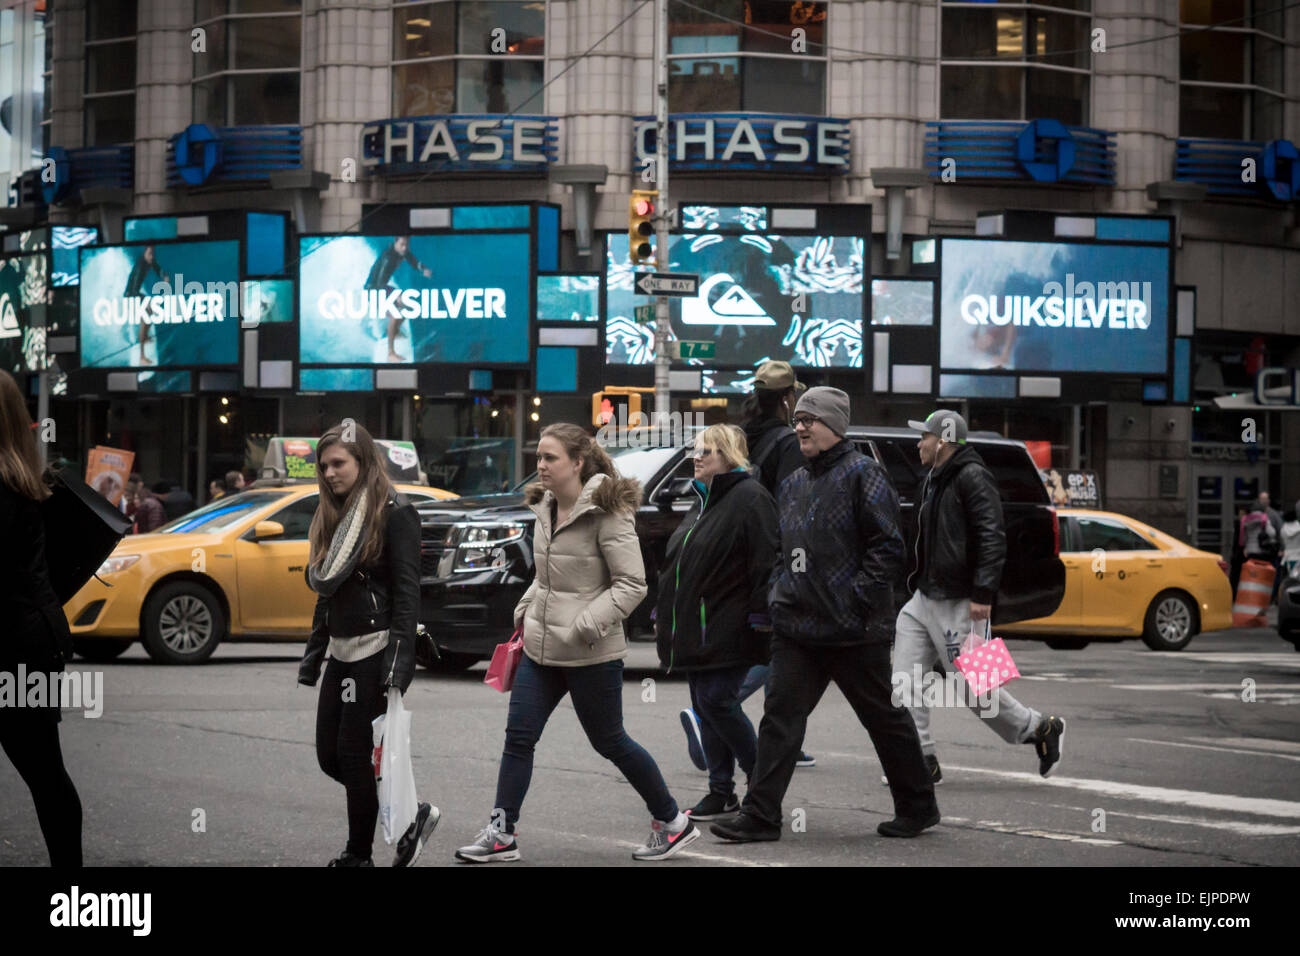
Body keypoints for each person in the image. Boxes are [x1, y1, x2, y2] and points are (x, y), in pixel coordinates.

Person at [455, 423, 700, 862]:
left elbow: (633, 584)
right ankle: (502, 832)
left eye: (550, 458)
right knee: (519, 737)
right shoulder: (546, 507)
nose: (541, 467)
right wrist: (528, 605)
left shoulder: (607, 511)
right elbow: (548, 577)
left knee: (611, 742)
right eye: (539, 459)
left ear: (578, 462)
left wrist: (585, 625)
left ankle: (673, 822)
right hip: (540, 648)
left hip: (589, 651)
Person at [710, 388, 940, 843]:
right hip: (800, 628)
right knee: (779, 718)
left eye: (810, 419)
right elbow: (782, 547)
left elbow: (888, 546)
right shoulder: (794, 481)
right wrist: (782, 590)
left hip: (867, 627)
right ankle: (760, 815)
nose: (800, 427)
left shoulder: (864, 474)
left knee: (890, 717)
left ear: (836, 425)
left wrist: (855, 596)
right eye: (797, 419)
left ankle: (918, 805)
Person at [887, 410, 1065, 788]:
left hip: (962, 598)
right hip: (924, 597)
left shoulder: (972, 476)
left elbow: (991, 536)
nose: (918, 443)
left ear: (944, 441)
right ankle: (919, 759)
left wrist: (983, 593)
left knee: (977, 689)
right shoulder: (933, 478)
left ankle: (1040, 727)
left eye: (925, 437)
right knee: (905, 679)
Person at [297, 422, 437, 867]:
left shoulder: (395, 512)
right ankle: (411, 813)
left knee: (355, 756)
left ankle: (358, 855)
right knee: (329, 756)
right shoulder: (333, 515)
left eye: (339, 463)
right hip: (341, 650)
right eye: (324, 466)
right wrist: (314, 655)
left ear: (364, 462)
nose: (330, 473)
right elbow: (328, 592)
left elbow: (408, 594)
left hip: (377, 648)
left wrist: (398, 665)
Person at [687, 359, 814, 771]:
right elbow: (792, 509)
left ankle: (1021, 725)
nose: (921, 445)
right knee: (789, 655)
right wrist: (982, 593)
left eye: (925, 438)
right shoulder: (784, 446)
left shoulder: (750, 439)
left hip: (952, 598)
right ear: (788, 398)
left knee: (795, 660)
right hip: (956, 600)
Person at [656, 424, 778, 821]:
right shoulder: (705, 498)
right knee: (703, 705)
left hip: (730, 622)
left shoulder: (749, 498)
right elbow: (681, 560)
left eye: (706, 451)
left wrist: (761, 617)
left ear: (728, 456)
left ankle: (761, 781)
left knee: (716, 702)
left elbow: (766, 561)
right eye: (696, 450)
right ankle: (720, 792)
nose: (697, 456)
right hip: (693, 624)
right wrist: (667, 606)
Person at [0, 369, 83, 866]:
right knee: (45, 770)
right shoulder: (23, 482)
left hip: (16, 643)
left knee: (44, 771)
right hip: (34, 641)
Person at [364, 236, 432, 363]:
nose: (405, 248)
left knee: (408, 307)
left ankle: (394, 330)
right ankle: (391, 353)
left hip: (382, 286)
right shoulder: (388, 258)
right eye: (402, 245)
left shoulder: (401, 251)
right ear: (396, 243)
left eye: (407, 245)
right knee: (395, 314)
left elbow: (413, 261)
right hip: (373, 290)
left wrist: (423, 269)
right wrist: (395, 296)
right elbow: (378, 284)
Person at [123, 245, 168, 366]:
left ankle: (145, 336)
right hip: (130, 295)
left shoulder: (149, 260)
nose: (151, 257)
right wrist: (144, 301)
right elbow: (132, 290)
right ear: (145, 254)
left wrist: (165, 276)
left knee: (150, 312)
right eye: (149, 254)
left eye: (153, 254)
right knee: (146, 316)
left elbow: (158, 269)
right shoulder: (140, 267)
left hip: (136, 293)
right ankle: (142, 357)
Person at [1281, 505, 1300, 581]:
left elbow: (1283, 542)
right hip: (1298, 557)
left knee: (1289, 581)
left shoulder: (1283, 530)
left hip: (1288, 558)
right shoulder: (1299, 527)